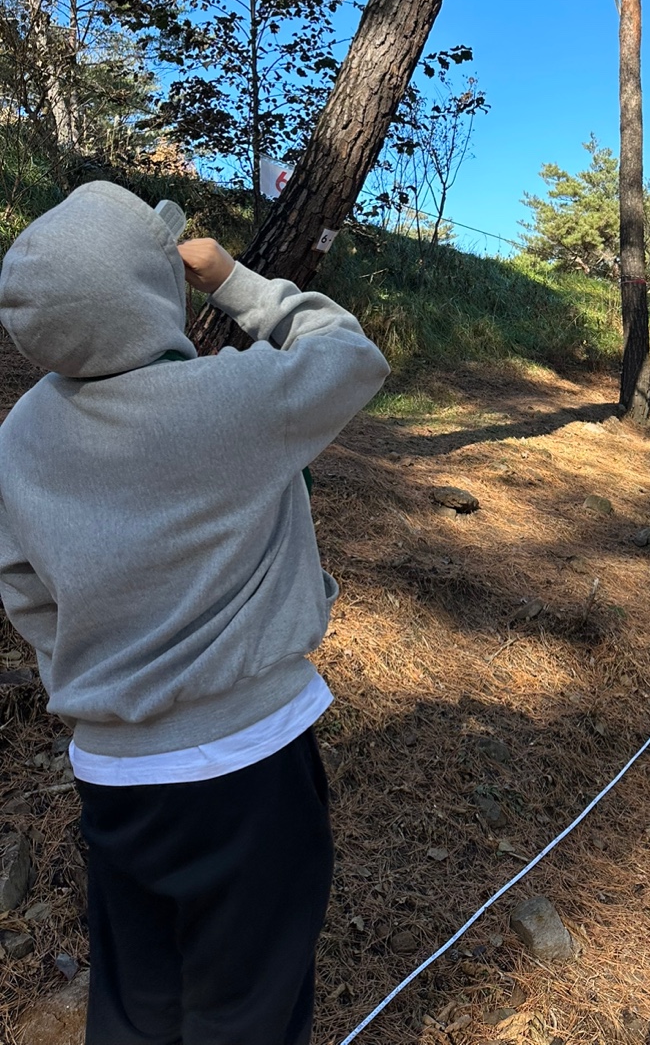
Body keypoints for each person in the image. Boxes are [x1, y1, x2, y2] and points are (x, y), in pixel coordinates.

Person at [0, 181, 389, 1045]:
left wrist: (90, 681)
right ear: (150, 285)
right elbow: (351, 355)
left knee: (136, 1000)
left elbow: (20, 583)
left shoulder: (19, 436)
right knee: (248, 1005)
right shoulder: (232, 399)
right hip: (251, 764)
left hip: (113, 775)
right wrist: (231, 280)